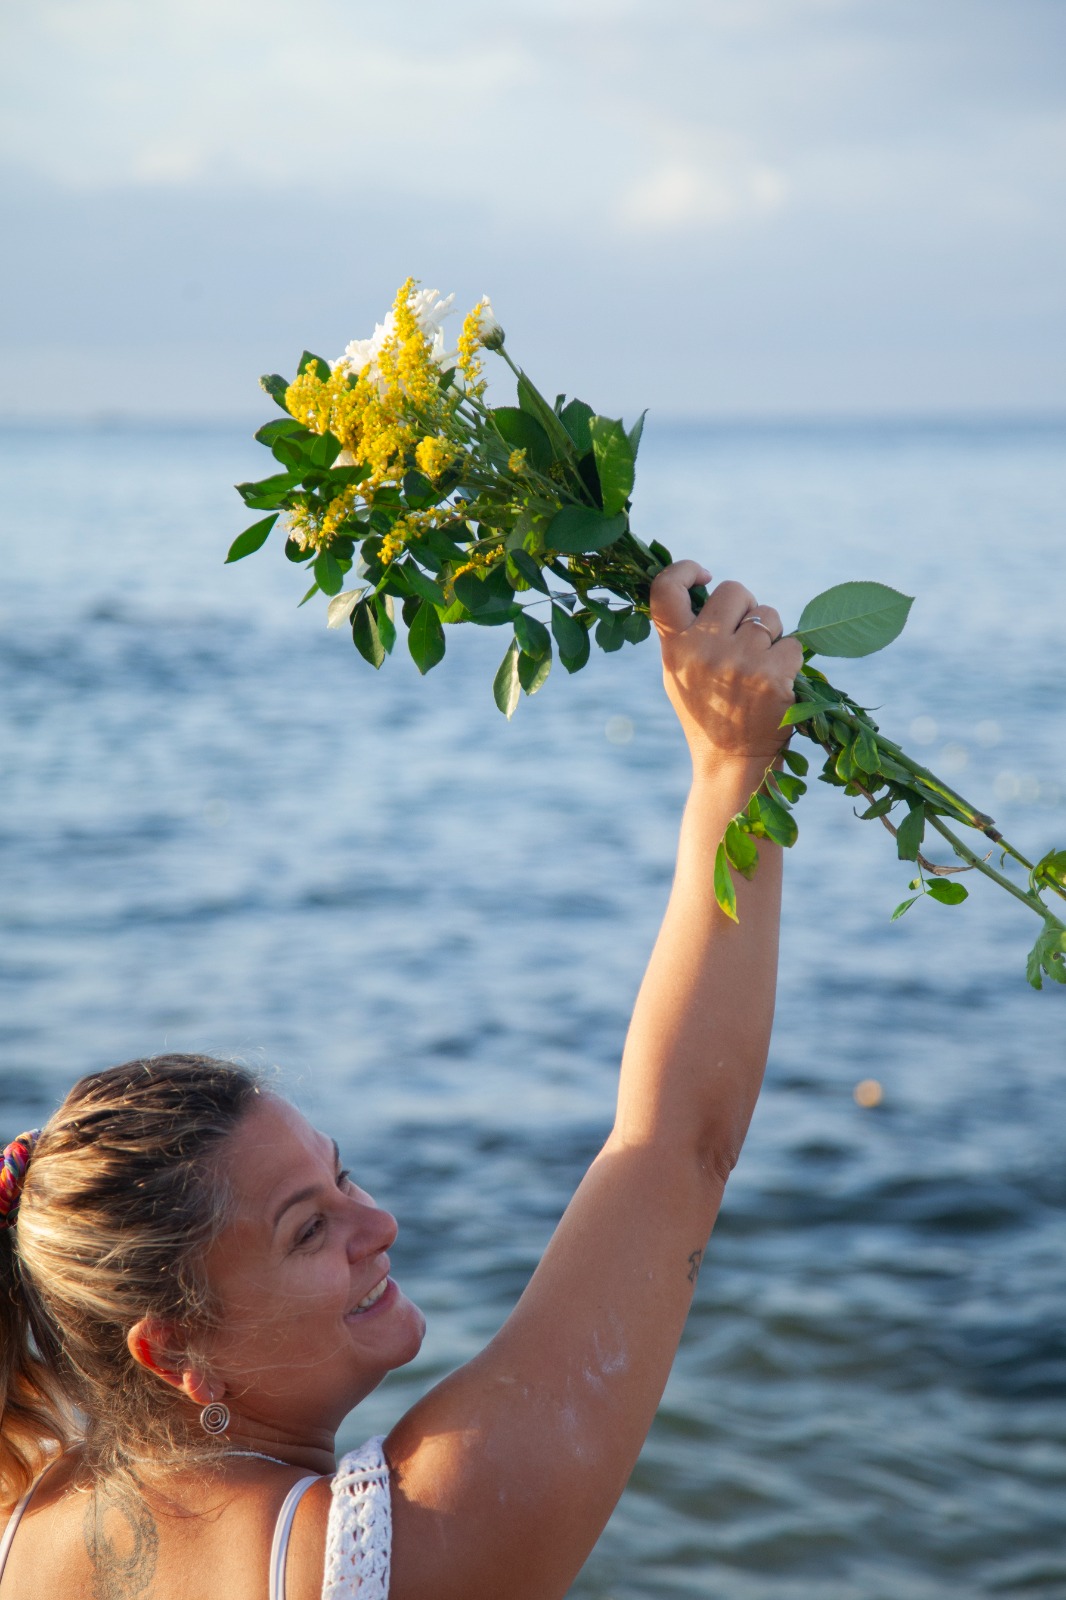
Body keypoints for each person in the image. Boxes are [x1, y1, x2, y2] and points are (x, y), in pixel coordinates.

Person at [0, 564, 802, 1600]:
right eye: (306, 1228)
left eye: (344, 1179)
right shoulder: (402, 1551)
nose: (375, 1223)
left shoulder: (24, 1516)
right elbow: (679, 1145)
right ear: (175, 1347)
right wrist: (735, 767)